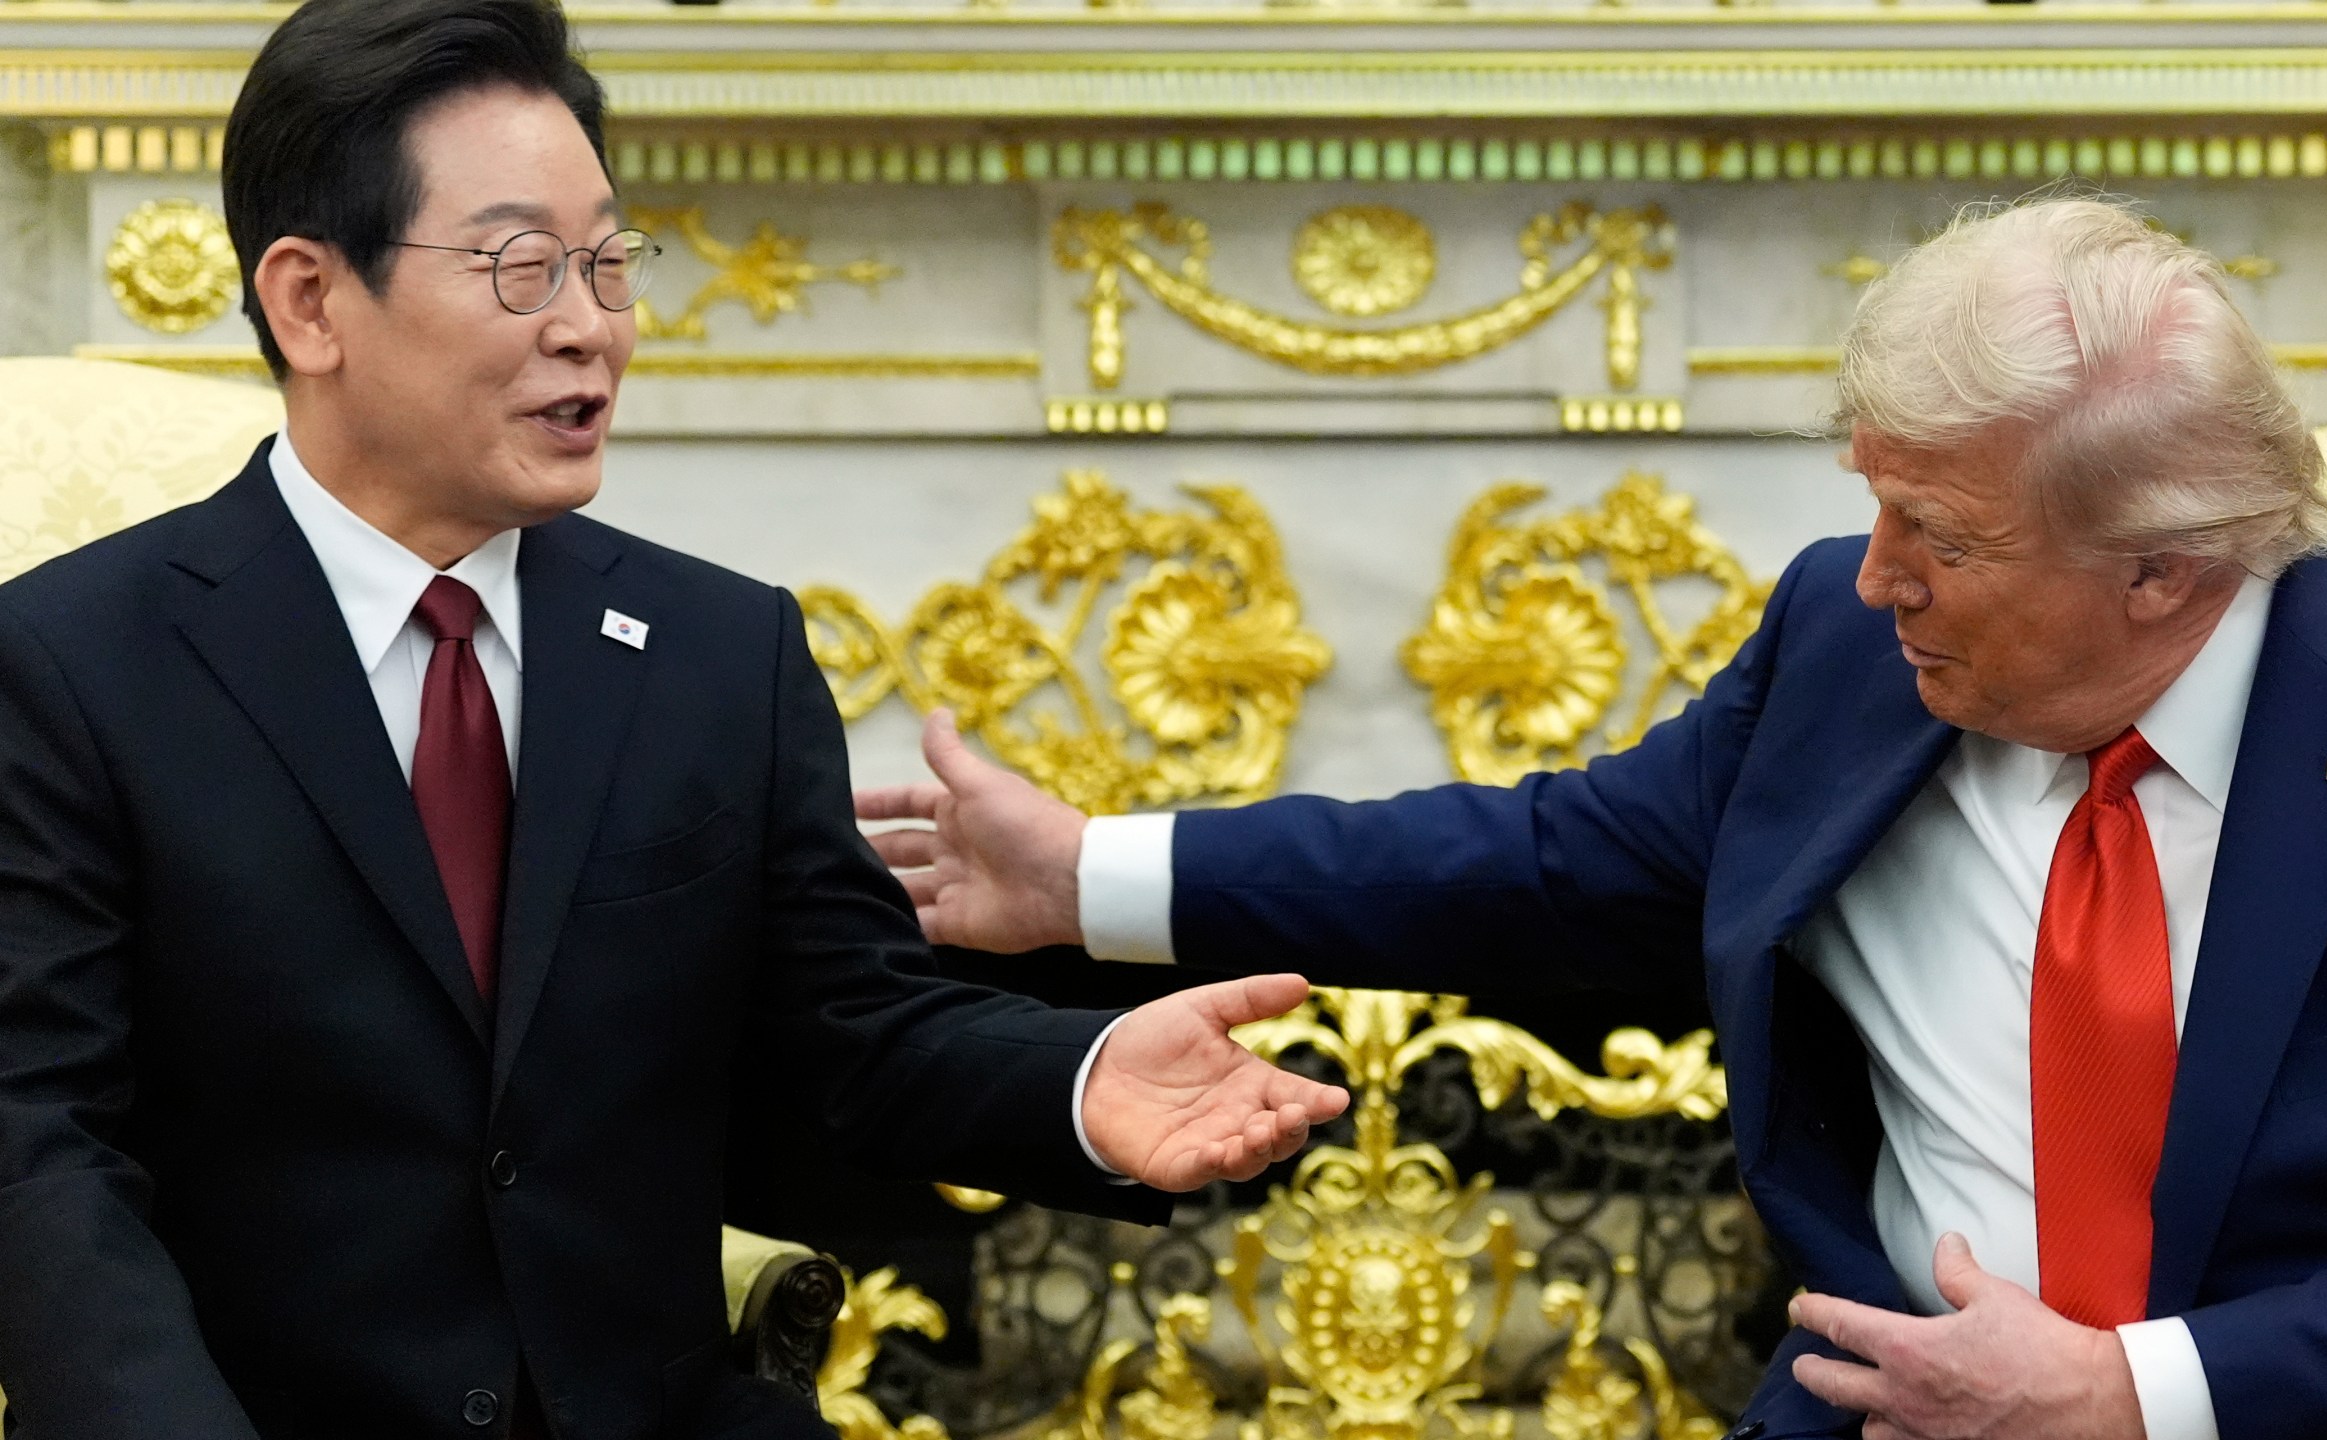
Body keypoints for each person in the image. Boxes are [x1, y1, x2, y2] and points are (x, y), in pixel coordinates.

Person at [860, 198, 2327, 1440]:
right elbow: (1553, 868)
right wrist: (1092, 872)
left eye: (1941, 537)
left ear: (2162, 567)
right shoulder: (1850, 644)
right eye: (1875, 507)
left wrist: (2135, 1396)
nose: (1877, 577)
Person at [0, 3, 1349, 1437]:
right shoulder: (76, 668)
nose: (590, 325)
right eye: (522, 266)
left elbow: (858, 1034)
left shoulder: (720, 651)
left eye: (608, 261)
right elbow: (38, 1146)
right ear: (310, 302)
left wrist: (1082, 1080)